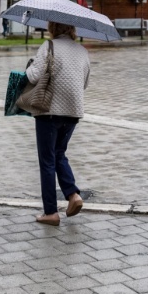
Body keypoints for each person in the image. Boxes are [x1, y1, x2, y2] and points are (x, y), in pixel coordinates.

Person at [24, 21, 90, 226]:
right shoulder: (82, 50)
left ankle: (51, 212)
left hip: (49, 110)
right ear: (72, 28)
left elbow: (34, 76)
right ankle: (72, 195)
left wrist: (30, 64)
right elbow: (85, 82)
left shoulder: (48, 46)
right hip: (73, 111)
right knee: (59, 153)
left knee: (47, 160)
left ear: (53, 27)